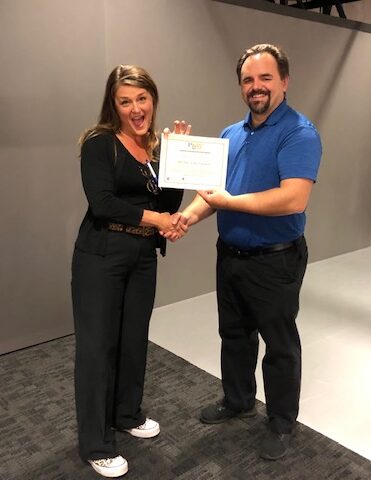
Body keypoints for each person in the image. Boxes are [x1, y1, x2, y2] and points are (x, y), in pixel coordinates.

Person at [168, 44, 322, 460]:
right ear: (241, 86)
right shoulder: (228, 136)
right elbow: (211, 195)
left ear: (284, 82)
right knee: (234, 335)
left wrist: (228, 201)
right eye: (249, 80)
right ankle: (237, 400)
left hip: (276, 258)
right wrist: (186, 217)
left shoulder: (299, 133)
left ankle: (281, 421)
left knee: (279, 344)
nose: (256, 87)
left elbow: (292, 199)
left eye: (266, 78)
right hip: (231, 254)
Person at [71, 64, 189, 478]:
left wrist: (177, 159)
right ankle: (96, 442)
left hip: (141, 254)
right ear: (114, 104)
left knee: (132, 339)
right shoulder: (100, 143)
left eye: (142, 98)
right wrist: (157, 221)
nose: (135, 108)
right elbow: (103, 203)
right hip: (101, 254)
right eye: (126, 101)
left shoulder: (156, 147)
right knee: (97, 347)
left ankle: (126, 413)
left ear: (153, 99)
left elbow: (169, 204)